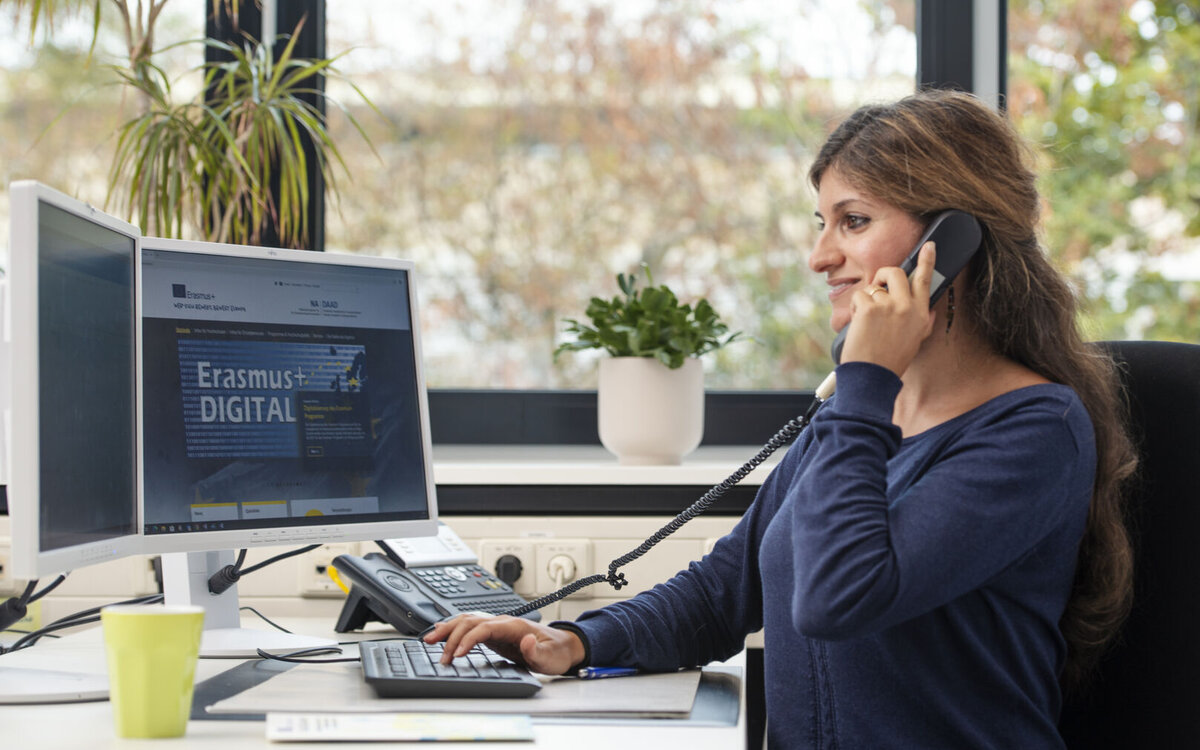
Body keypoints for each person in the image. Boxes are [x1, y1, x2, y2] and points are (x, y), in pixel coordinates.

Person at [425, 89, 1137, 749]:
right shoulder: (855, 417)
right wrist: (575, 640)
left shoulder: (1035, 431)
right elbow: (721, 594)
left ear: (951, 243)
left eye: (853, 222)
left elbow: (840, 598)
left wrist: (865, 383)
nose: (820, 256)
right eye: (821, 224)